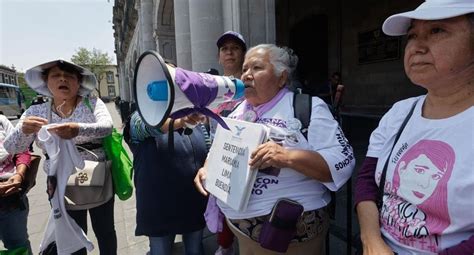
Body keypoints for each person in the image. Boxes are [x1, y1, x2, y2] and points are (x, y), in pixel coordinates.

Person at [195, 44, 355, 254]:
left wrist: (286, 157)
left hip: (288, 236)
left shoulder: (307, 107)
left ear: (282, 78)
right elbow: (217, 147)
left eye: (257, 68)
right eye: (244, 69)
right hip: (241, 232)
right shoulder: (235, 111)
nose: (247, 75)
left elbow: (343, 161)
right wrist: (208, 168)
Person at [354, 1, 474, 254]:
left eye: (437, 31)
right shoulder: (400, 112)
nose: (417, 47)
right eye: (412, 36)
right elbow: (367, 181)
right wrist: (371, 241)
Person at [4, 59, 116, 254]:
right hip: (60, 183)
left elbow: (107, 127)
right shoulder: (35, 110)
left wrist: (77, 129)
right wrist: (23, 130)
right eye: (56, 75)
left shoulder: (92, 103)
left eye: (70, 76)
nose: (63, 79)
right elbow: (11, 146)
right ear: (46, 81)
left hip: (97, 176)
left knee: (105, 229)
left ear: (79, 82)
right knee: (71, 231)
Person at [126, 110, 210, 255]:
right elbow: (149, 127)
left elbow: (209, 148)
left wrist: (207, 167)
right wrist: (181, 122)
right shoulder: (139, 116)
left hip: (193, 203)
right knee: (160, 251)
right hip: (159, 209)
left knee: (195, 250)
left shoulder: (195, 119)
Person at [211, 30, 247, 255]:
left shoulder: (253, 84)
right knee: (220, 210)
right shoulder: (211, 88)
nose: (229, 53)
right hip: (219, 160)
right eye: (225, 49)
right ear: (219, 56)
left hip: (246, 160)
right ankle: (225, 247)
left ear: (243, 54)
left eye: (235, 48)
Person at [0, 114, 32, 254]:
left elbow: (21, 149)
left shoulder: (1, 121)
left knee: (19, 246)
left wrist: (19, 174)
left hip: (10, 197)